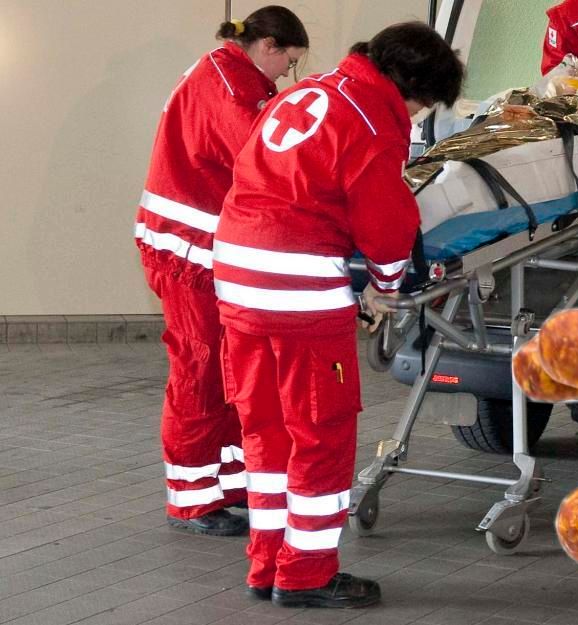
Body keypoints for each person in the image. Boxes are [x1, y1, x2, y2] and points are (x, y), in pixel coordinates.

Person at [213, 22, 464, 609]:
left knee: (266, 431)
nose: (420, 115)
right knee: (320, 433)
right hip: (299, 296)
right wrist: (384, 289)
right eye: (425, 104)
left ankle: (266, 563)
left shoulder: (312, 91)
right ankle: (305, 575)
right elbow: (387, 226)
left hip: (238, 283)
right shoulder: (374, 120)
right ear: (412, 86)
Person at [135, 6, 309, 538]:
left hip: (200, 247)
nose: (288, 76)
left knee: (229, 369)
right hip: (188, 252)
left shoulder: (224, 71)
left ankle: (228, 486)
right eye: (291, 64)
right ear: (269, 46)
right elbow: (266, 162)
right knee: (200, 369)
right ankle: (191, 499)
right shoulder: (234, 87)